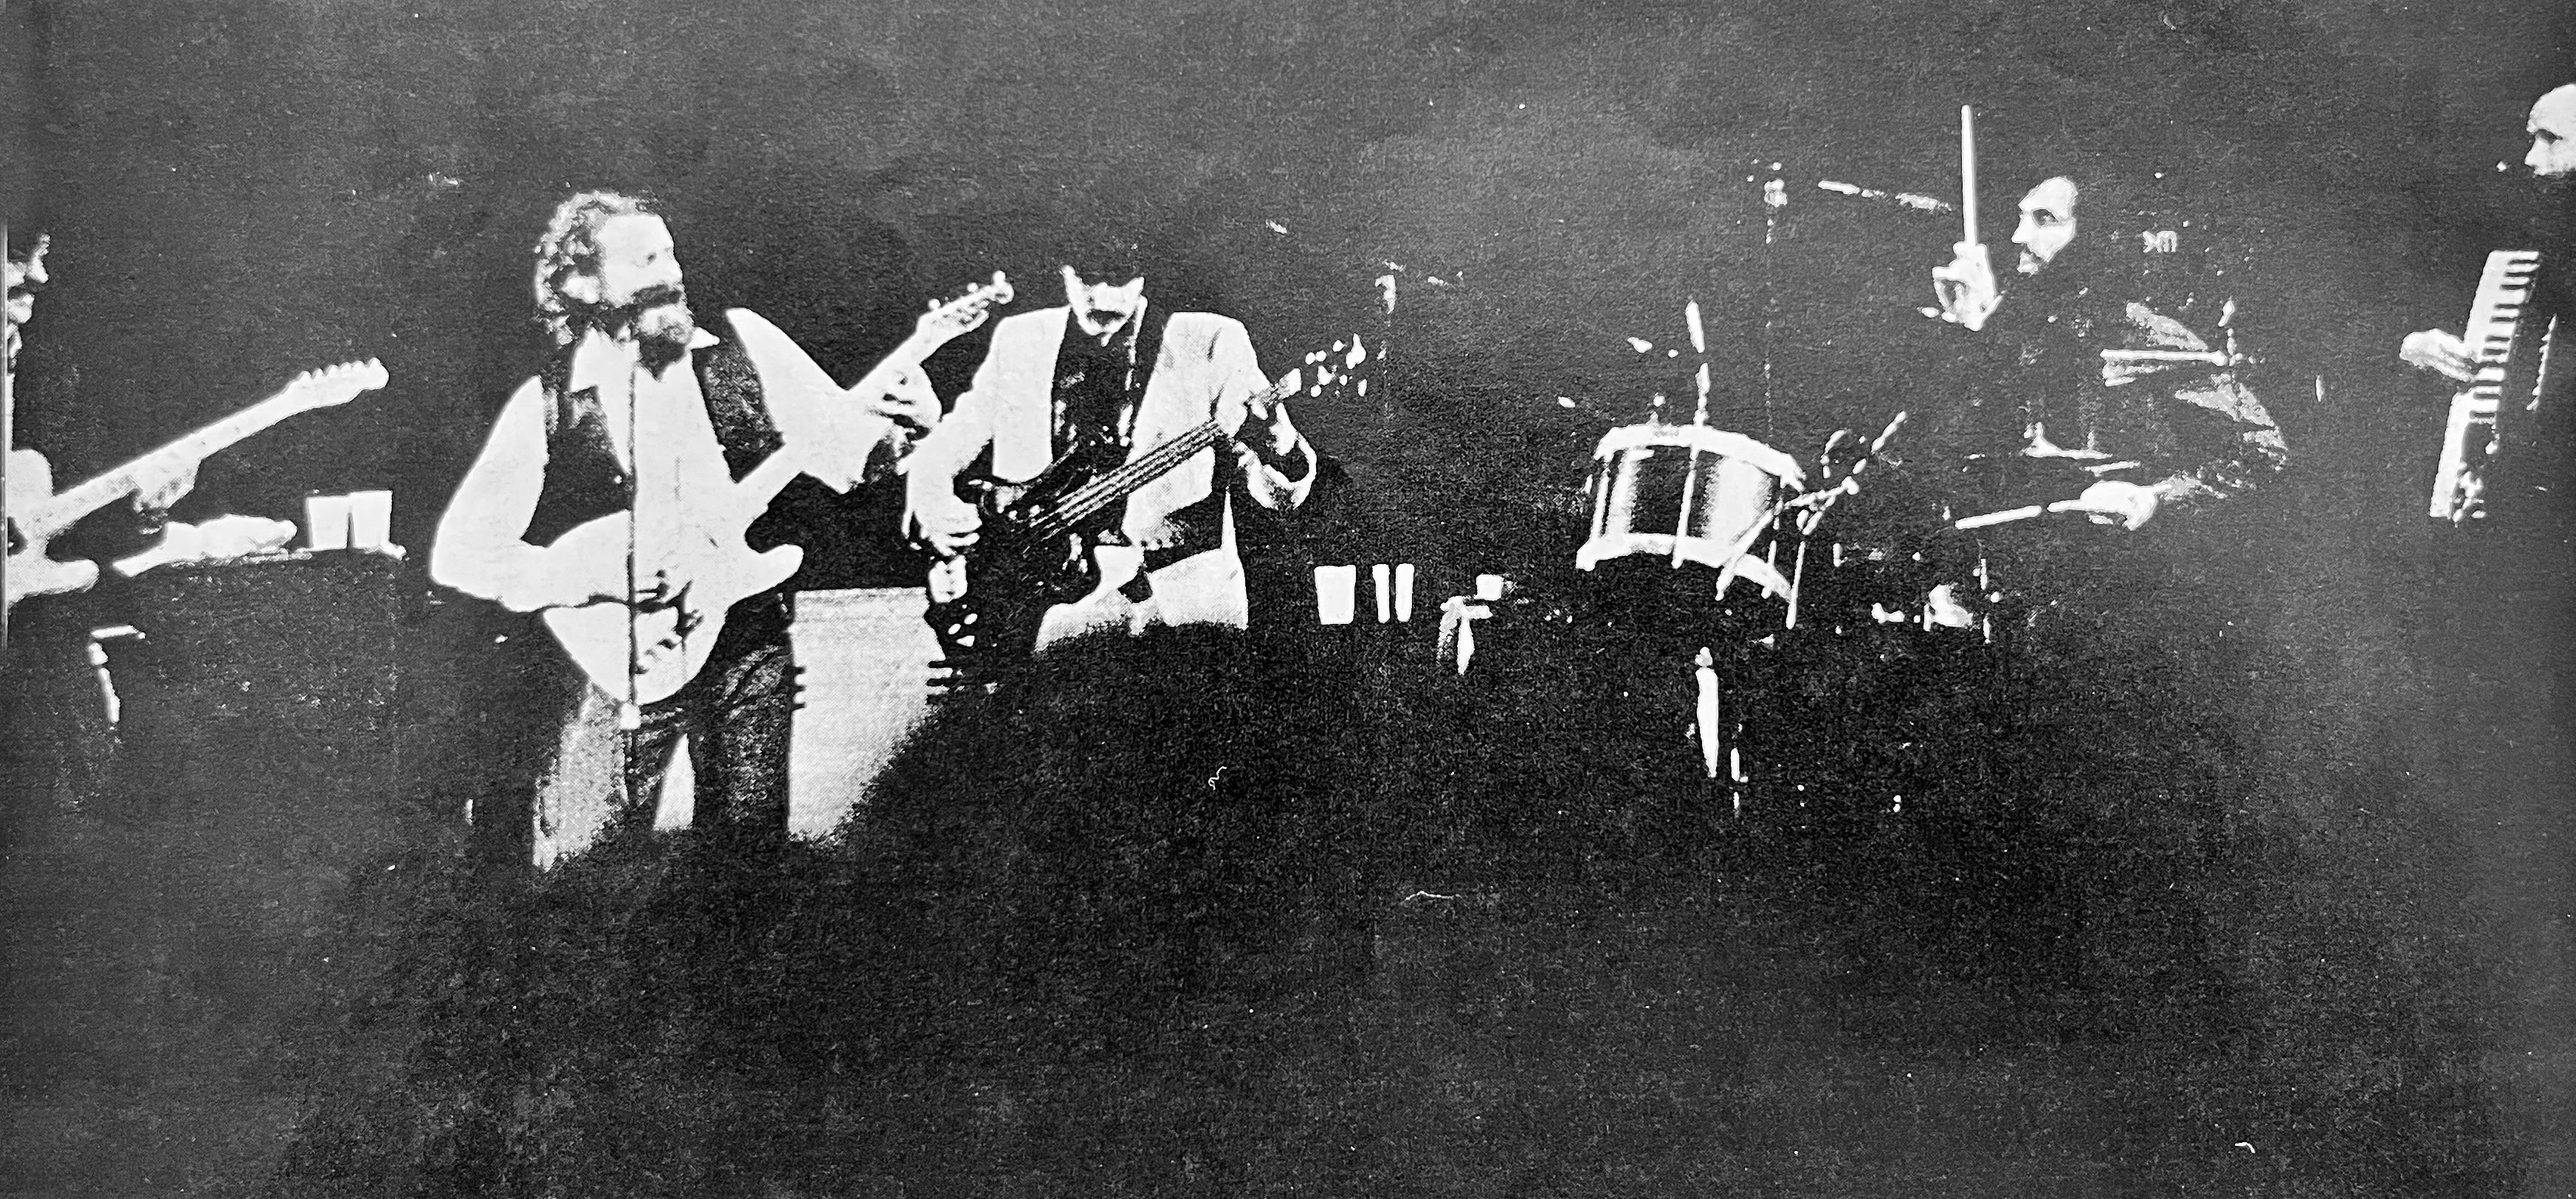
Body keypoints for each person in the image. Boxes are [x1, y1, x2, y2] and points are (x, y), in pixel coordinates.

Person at [430, 190, 940, 868]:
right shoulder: (550, 402)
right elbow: (460, 553)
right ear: (583, 284)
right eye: (645, 260)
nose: (672, 273)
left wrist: (915, 426)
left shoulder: (744, 351)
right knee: (597, 874)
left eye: (671, 253)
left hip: (747, 647)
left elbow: (852, 456)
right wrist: (585, 575)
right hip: (615, 668)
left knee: (749, 874)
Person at [904, 258, 1319, 657]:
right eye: (1087, 277)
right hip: (1044, 605)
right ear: (1063, 269)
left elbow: (1279, 494)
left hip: (1182, 604)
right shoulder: (1021, 337)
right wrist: (931, 500)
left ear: (1144, 273)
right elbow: (947, 446)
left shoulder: (1210, 340)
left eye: (1119, 277)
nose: (1102, 297)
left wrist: (1276, 435)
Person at [1928, 174, 2288, 536]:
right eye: (2021, 218)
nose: (2018, 237)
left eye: (2046, 219)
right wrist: (1969, 328)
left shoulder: (2142, 331)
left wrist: (2156, 497)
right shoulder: (2017, 332)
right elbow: (1939, 451)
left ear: (2093, 235)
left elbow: (2262, 450)